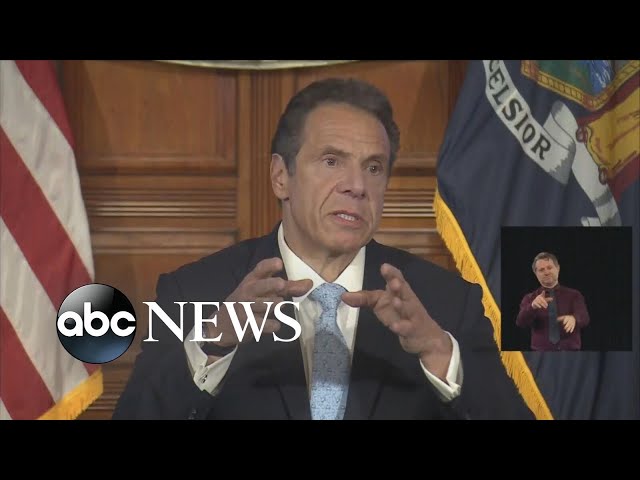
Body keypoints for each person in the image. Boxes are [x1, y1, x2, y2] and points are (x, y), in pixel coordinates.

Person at [113, 78, 534, 420]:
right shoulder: (194, 292)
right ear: (281, 177)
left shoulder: (446, 303)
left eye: (373, 167)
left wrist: (438, 352)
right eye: (332, 161)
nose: (357, 186)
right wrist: (212, 343)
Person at [516, 252, 590, 351]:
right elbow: (521, 322)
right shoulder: (529, 298)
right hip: (540, 354)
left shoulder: (574, 295)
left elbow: (585, 317)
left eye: (549, 267)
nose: (546, 272)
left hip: (571, 352)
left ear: (558, 268)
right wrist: (532, 307)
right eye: (541, 270)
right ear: (536, 274)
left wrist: (574, 318)